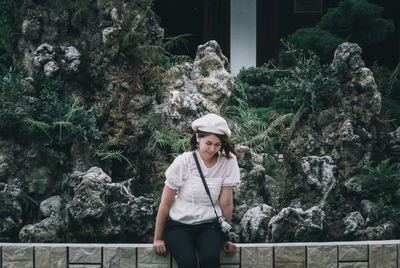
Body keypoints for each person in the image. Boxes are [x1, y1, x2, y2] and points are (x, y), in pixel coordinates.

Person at [153, 113, 242, 268]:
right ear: (198, 138)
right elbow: (165, 203)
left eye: (217, 145)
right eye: (208, 143)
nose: (212, 149)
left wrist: (226, 237)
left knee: (209, 259)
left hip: (210, 225)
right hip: (179, 225)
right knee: (187, 262)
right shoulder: (183, 161)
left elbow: (226, 204)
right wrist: (157, 239)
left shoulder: (228, 161)